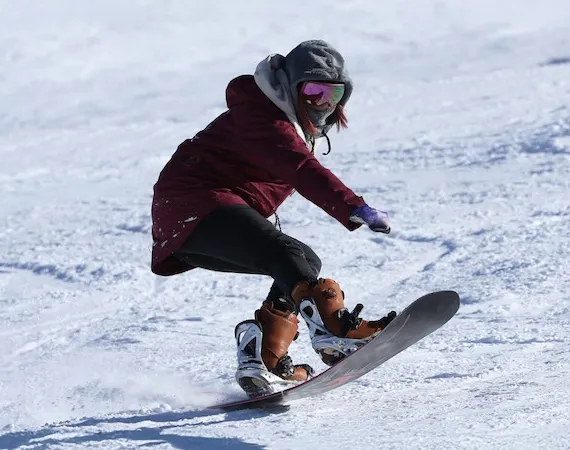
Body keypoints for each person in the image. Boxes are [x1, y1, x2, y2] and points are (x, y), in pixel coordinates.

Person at [150, 40, 396, 397]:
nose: (323, 103)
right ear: (289, 86)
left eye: (333, 93)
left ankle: (263, 355)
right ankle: (331, 331)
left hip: (196, 220)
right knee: (288, 256)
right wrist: (352, 206)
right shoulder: (264, 116)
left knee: (302, 261)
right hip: (196, 204)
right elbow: (301, 169)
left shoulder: (283, 121)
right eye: (312, 91)